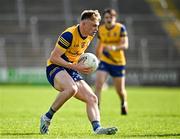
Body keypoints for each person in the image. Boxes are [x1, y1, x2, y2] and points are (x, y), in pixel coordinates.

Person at [40, 10, 118, 135]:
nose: (96, 28)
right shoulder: (68, 35)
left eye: (97, 25)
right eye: (94, 25)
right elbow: (54, 57)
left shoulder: (90, 35)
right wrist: (76, 66)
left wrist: (85, 64)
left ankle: (97, 128)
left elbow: (77, 52)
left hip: (71, 68)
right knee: (71, 89)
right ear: (83, 24)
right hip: (55, 67)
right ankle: (46, 118)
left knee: (92, 98)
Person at [95, 8, 129, 115]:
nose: (108, 20)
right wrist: (96, 59)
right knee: (98, 84)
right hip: (104, 61)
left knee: (120, 90)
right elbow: (99, 45)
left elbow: (125, 45)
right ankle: (96, 108)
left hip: (118, 62)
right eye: (106, 18)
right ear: (104, 19)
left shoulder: (120, 28)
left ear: (115, 18)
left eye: (111, 17)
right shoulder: (101, 29)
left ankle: (123, 102)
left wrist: (114, 47)